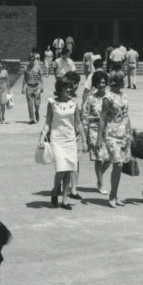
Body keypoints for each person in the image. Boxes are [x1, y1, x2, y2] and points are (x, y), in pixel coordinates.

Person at [40, 76, 85, 209]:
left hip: (70, 139)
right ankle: (55, 190)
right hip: (57, 140)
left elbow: (78, 122)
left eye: (70, 87)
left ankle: (65, 200)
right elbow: (48, 122)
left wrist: (84, 139)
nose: (70, 90)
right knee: (61, 169)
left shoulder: (73, 103)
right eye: (67, 88)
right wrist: (42, 136)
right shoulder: (52, 103)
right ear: (60, 89)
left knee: (69, 169)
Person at [96, 70, 132, 208]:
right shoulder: (107, 98)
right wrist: (99, 137)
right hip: (111, 134)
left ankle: (115, 194)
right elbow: (102, 118)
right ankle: (112, 195)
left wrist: (130, 133)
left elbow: (127, 116)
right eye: (121, 81)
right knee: (118, 163)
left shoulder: (124, 96)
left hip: (124, 133)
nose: (122, 83)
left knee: (120, 164)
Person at [82, 70, 111, 193]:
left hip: (108, 130)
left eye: (103, 82)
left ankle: (99, 177)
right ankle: (101, 183)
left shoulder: (110, 97)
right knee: (99, 158)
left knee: (109, 158)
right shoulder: (91, 98)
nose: (101, 85)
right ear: (95, 84)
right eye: (99, 82)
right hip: (94, 130)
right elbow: (85, 115)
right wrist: (95, 119)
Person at [66, 70, 84, 200]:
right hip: (65, 134)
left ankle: (73, 189)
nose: (76, 85)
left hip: (76, 134)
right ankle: (62, 185)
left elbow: (78, 119)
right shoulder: (62, 97)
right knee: (65, 162)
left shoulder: (76, 97)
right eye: (73, 83)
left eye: (77, 83)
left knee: (76, 162)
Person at [21, 52, 44, 123]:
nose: (32, 61)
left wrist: (42, 86)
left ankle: (37, 112)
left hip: (36, 87)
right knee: (30, 104)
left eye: (33, 60)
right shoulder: (26, 68)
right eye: (30, 60)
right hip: (29, 87)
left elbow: (41, 77)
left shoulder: (38, 67)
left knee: (37, 104)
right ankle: (31, 119)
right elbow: (24, 79)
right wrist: (23, 88)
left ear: (34, 60)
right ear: (29, 60)